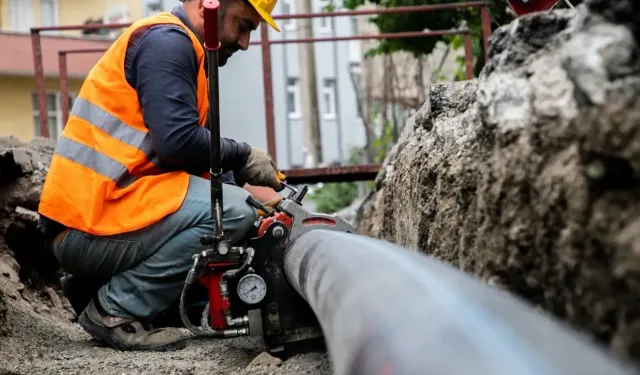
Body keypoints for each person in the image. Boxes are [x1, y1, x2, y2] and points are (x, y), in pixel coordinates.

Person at [37, 0, 282, 352]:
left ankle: (96, 287)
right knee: (233, 213)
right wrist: (244, 156)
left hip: (104, 218)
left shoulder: (189, 56)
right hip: (87, 227)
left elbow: (207, 169)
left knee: (242, 208)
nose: (244, 42)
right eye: (243, 26)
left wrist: (264, 202)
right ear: (207, 7)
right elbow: (178, 142)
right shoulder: (166, 43)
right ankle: (113, 307)